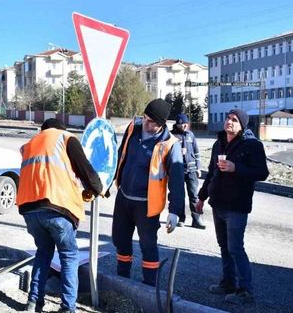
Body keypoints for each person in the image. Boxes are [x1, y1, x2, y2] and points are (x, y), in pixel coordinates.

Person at [18, 118, 103, 313]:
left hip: (29, 210)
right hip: (57, 208)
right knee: (69, 255)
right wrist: (97, 187)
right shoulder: (65, 138)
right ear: (60, 129)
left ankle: (33, 303)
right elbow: (85, 169)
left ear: (43, 129)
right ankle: (68, 307)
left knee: (43, 253)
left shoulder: (29, 144)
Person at [196, 108, 269, 305]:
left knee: (236, 248)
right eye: (228, 118)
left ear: (242, 125)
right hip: (218, 203)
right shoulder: (218, 143)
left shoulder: (252, 145)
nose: (229, 122)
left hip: (237, 206)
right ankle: (228, 283)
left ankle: (245, 291)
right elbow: (211, 173)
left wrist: (236, 168)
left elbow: (262, 172)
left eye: (234, 120)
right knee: (224, 247)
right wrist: (201, 198)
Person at [112, 98, 184, 286]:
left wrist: (175, 211)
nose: (145, 123)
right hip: (124, 197)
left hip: (147, 204)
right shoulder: (133, 129)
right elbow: (121, 156)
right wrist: (109, 179)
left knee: (148, 246)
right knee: (120, 241)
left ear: (161, 124)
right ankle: (122, 280)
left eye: (151, 121)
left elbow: (177, 180)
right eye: (144, 118)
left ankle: (150, 287)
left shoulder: (170, 144)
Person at [171, 113, 206, 229]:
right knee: (179, 195)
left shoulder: (191, 135)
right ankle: (181, 218)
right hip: (178, 170)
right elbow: (167, 153)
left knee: (194, 195)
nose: (183, 126)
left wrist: (199, 168)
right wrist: (178, 152)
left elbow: (196, 152)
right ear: (177, 124)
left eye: (185, 124)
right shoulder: (172, 136)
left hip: (191, 170)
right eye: (181, 124)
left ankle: (196, 220)